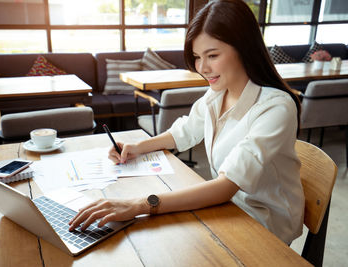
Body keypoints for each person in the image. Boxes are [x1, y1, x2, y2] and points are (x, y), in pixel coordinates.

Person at [69, 0, 305, 245]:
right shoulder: (219, 92)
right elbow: (185, 131)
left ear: (244, 48)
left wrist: (140, 204)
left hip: (263, 226)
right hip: (227, 209)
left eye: (212, 55)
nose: (202, 68)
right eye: (197, 57)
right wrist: (137, 147)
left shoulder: (275, 107)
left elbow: (226, 186)